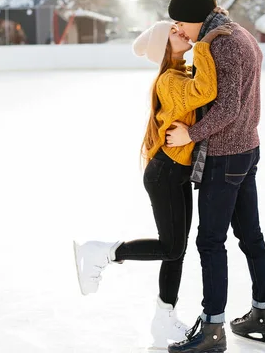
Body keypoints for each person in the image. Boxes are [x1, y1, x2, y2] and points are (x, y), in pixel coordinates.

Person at [73, 20, 232, 348]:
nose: (182, 32)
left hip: (175, 172)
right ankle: (102, 253)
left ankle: (164, 321)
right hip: (165, 174)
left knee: (176, 251)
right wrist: (204, 45)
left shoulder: (178, 73)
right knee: (172, 247)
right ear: (164, 47)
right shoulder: (170, 80)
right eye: (173, 32)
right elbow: (207, 91)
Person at [164, 0, 265, 352]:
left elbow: (226, 107)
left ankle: (212, 329)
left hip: (225, 155)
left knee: (210, 242)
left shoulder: (220, 44)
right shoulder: (237, 32)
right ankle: (263, 313)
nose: (180, 29)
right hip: (247, 149)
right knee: (251, 237)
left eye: (181, 22)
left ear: (196, 17)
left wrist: (189, 135)